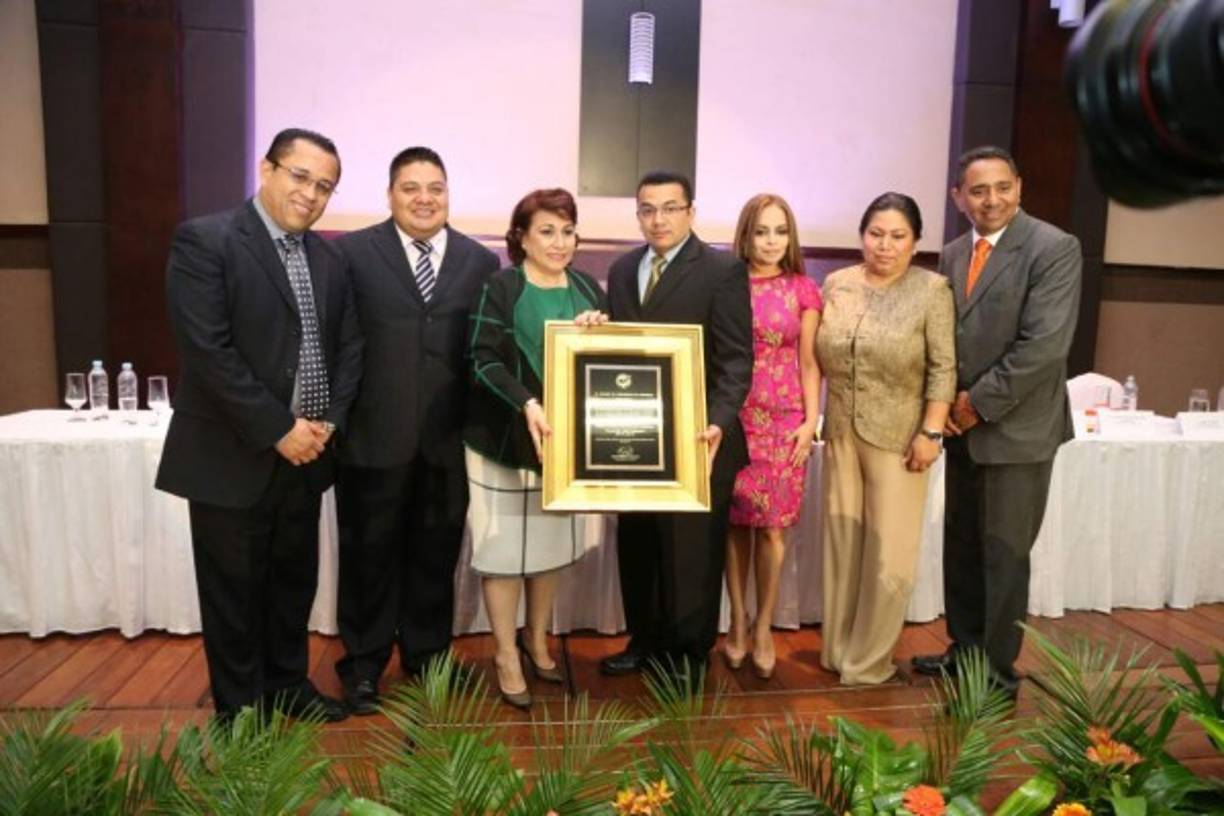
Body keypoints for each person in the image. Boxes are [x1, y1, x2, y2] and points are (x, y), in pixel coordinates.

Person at [155, 128, 363, 722]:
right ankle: (241, 711)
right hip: (231, 454)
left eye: (325, 186)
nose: (311, 194)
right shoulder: (207, 241)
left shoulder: (329, 257)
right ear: (266, 169)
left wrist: (326, 423)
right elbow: (208, 350)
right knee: (233, 595)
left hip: (308, 454)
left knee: (292, 584)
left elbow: (350, 347)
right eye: (300, 176)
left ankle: (288, 685)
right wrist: (279, 428)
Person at [332, 147, 498, 715]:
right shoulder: (353, 253)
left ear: (449, 193)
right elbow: (339, 342)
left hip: (447, 441)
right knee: (367, 559)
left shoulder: (480, 261)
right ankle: (362, 666)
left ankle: (429, 659)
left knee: (436, 557)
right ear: (390, 194)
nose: (424, 198)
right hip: (371, 439)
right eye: (411, 188)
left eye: (436, 187)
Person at [913, 146, 1081, 699]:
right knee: (962, 547)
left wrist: (972, 404)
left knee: (1005, 555)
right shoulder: (957, 252)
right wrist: (943, 406)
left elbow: (1044, 348)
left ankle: (998, 673)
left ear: (1020, 187)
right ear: (959, 198)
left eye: (1002, 187)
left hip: (1016, 432)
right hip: (963, 431)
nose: (992, 199)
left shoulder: (1054, 248)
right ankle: (964, 652)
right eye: (978, 190)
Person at [599, 171, 754, 681]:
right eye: (647, 209)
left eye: (670, 207)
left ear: (691, 211)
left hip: (698, 441)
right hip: (637, 437)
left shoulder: (721, 269)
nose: (658, 219)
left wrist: (716, 425)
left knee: (692, 552)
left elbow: (736, 360)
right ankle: (644, 640)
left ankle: (688, 656)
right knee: (639, 542)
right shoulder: (622, 271)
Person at [463, 188, 608, 709]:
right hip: (502, 442)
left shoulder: (590, 289)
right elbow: (481, 359)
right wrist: (526, 401)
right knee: (504, 555)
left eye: (568, 231)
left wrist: (602, 334)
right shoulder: (500, 287)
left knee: (549, 551)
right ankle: (505, 652)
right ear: (520, 237)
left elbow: (608, 366)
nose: (560, 241)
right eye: (546, 231)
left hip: (564, 447)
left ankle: (538, 638)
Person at [817, 192, 955, 685]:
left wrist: (931, 431)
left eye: (898, 236)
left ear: (915, 243)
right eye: (876, 233)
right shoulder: (837, 283)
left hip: (900, 437)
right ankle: (836, 651)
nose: (885, 245)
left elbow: (943, 368)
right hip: (839, 430)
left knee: (888, 552)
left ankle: (869, 661)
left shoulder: (931, 290)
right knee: (842, 543)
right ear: (862, 235)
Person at [723, 193, 822, 680]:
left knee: (774, 527)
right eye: (762, 231)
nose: (771, 241)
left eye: (780, 231)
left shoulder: (803, 288)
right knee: (736, 524)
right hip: (736, 413)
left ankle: (764, 626)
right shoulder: (727, 284)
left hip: (785, 418)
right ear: (746, 234)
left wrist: (811, 420)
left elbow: (809, 361)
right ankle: (737, 621)